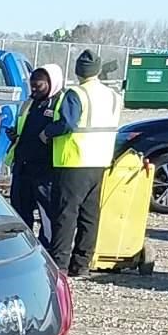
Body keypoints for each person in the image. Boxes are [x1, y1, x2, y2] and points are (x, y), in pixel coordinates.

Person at [47, 48, 119, 274]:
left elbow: (67, 123)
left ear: (78, 71)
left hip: (74, 159)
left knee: (66, 214)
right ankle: (82, 264)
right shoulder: (113, 95)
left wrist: (47, 132)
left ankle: (60, 264)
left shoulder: (76, 93)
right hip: (101, 160)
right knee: (90, 215)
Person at [8, 62, 63, 241]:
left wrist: (47, 134)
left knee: (46, 213)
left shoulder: (60, 103)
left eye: (38, 86)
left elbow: (65, 126)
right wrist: (13, 134)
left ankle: (46, 248)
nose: (34, 89)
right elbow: (22, 126)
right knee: (20, 210)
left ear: (51, 84)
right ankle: (22, 244)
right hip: (23, 165)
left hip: (45, 168)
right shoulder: (29, 103)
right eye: (32, 85)